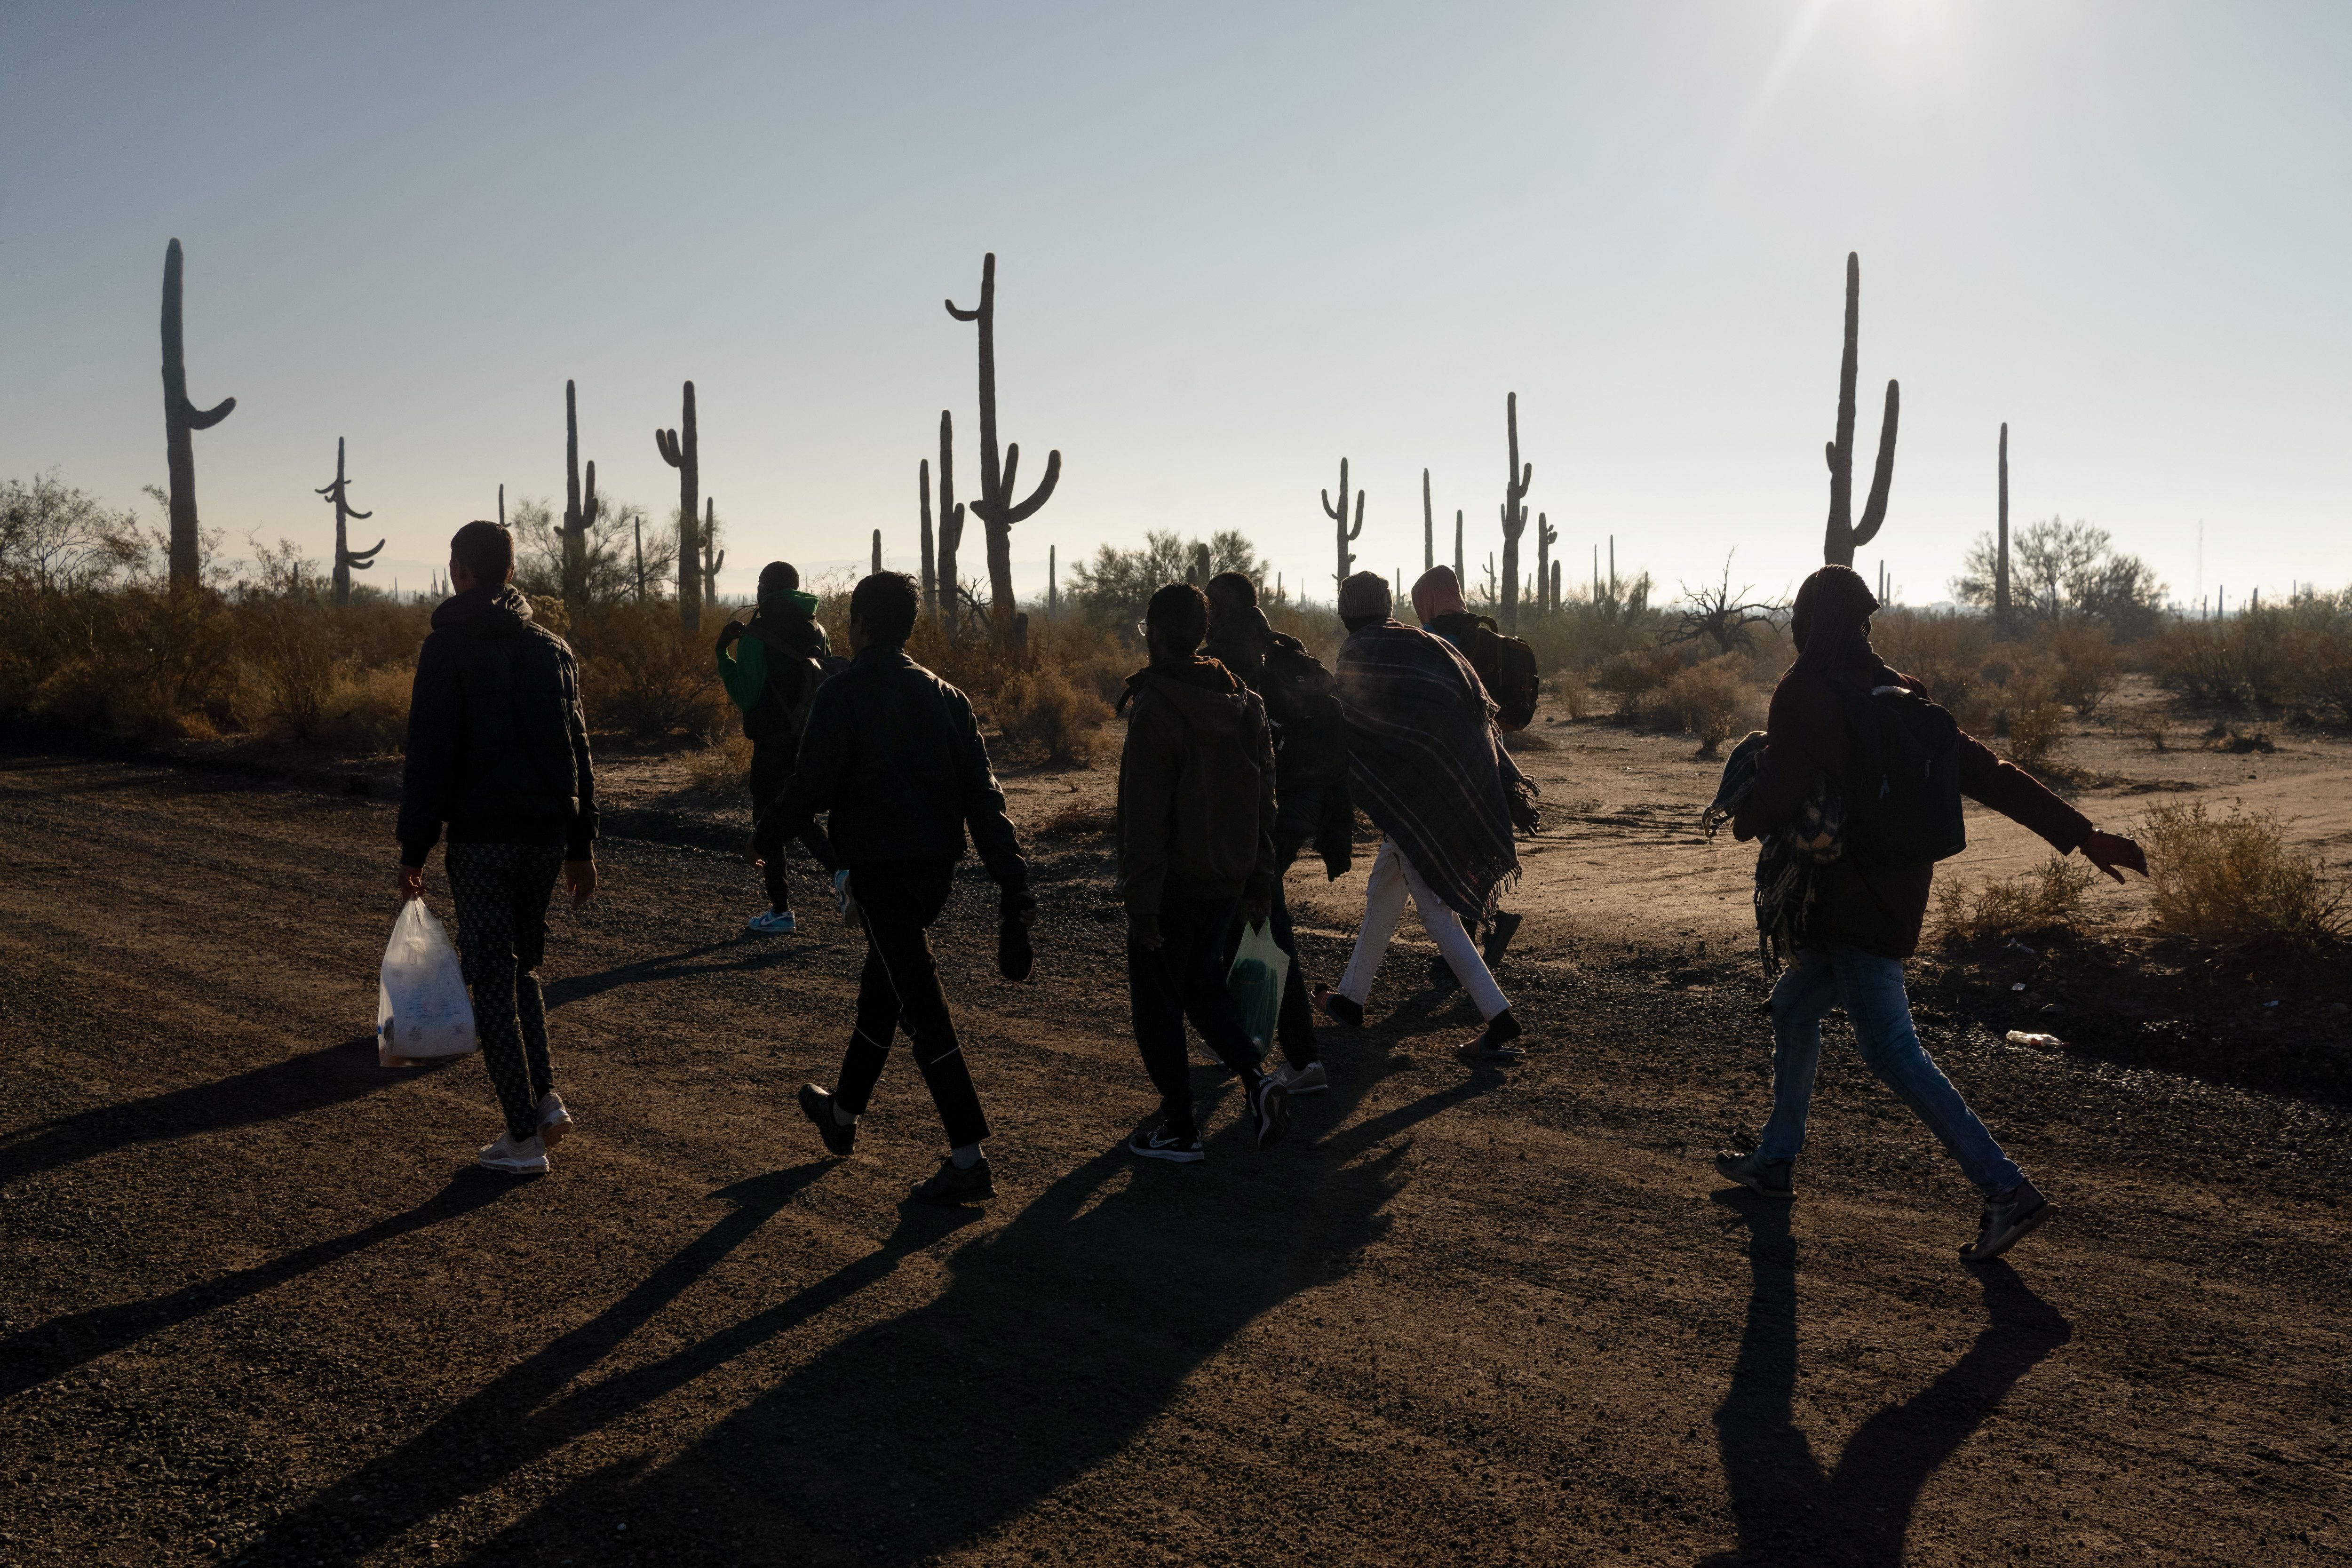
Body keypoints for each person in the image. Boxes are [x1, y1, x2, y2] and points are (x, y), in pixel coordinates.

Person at [1712, 564, 2148, 1261]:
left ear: (1804, 621)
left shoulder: (1805, 693)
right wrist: (2081, 834)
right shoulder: (1902, 695)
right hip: (1893, 894)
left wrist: (1743, 813)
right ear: (1863, 624)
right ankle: (1775, 1161)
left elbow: (1780, 789)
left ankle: (2007, 1190)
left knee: (1890, 1049)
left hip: (1848, 903)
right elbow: (1987, 770)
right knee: (1795, 1006)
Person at [758, 572, 1036, 1204]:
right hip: (934, 874)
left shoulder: (843, 694)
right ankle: (843, 1114)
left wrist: (765, 833)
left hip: (879, 875)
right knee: (883, 991)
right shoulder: (947, 696)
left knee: (922, 1009)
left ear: (858, 625)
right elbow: (985, 799)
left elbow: (809, 786)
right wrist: (1011, 882)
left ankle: (969, 1158)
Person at [397, 520, 598, 1176]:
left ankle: (522, 1137)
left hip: (483, 837)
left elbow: (430, 754)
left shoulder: (447, 648)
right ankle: (543, 1103)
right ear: (510, 571)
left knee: (489, 977)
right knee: (523, 969)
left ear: (459, 570)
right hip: (544, 836)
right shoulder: (554, 649)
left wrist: (415, 846)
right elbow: (579, 753)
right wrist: (581, 843)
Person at [1316, 571, 1534, 1061]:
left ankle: (1498, 1018)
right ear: (1389, 606)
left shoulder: (1359, 651)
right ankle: (1350, 1000)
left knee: (1437, 917)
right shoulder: (1422, 642)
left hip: (1418, 799)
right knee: (1383, 891)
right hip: (1457, 779)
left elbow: (1359, 728)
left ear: (1343, 613)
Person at [1117, 582, 1291, 1160]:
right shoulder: (1244, 701)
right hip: (1228, 879)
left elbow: (1143, 818)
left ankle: (1179, 1127)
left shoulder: (1157, 707)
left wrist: (1141, 905)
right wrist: (1260, 879)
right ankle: (1258, 1080)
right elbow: (1266, 800)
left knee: (1158, 1005)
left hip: (1171, 886)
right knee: (1201, 987)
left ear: (1157, 634)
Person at [1202, 570, 1350, 1098]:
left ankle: (1299, 1058)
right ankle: (1242, 1041)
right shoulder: (1277, 647)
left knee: (1263, 922)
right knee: (1255, 919)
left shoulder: (1225, 656)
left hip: (1262, 812)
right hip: (1302, 804)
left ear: (1216, 609)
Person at [1408, 566, 1525, 990]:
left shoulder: (1434, 639)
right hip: (1489, 756)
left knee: (1447, 854)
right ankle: (1480, 936)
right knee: (1474, 849)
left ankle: (1466, 951)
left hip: (1449, 759)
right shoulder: (1482, 631)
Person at [715, 561, 837, 934]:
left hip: (771, 744)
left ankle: (781, 909)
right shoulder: (818, 629)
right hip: (809, 740)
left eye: (758, 584)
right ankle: (845, 876)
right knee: (798, 814)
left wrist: (724, 655)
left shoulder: (756, 634)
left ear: (766, 589)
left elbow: (746, 694)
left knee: (771, 817)